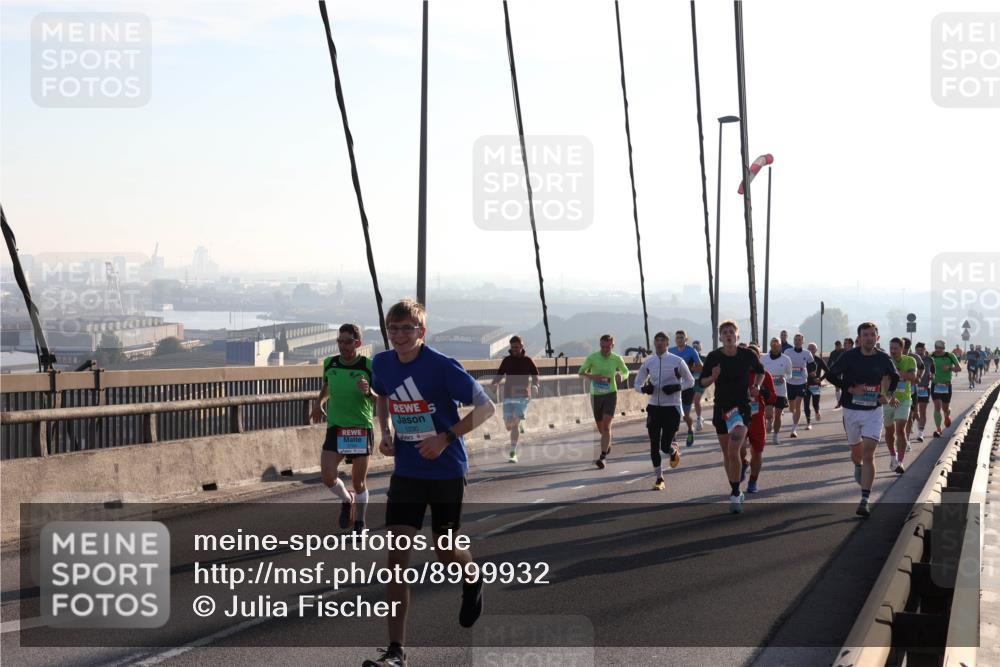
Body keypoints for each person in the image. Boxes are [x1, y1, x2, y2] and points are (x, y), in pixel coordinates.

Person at [366, 300, 496, 667]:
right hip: (407, 472)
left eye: (407, 329)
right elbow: (382, 394)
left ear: (422, 332)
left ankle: (471, 577)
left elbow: (486, 408)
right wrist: (385, 431)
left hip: (446, 471)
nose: (399, 336)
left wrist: (445, 438)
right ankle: (396, 652)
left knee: (445, 549)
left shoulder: (442, 366)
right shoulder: (382, 363)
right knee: (396, 561)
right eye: (393, 329)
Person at [826, 322, 899, 518]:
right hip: (851, 410)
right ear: (859, 338)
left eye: (872, 334)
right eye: (865, 335)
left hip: (873, 412)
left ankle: (865, 500)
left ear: (877, 337)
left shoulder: (883, 358)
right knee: (856, 453)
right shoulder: (849, 356)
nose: (869, 338)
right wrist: (850, 388)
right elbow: (830, 375)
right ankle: (857, 467)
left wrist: (888, 395)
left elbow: (895, 377)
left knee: (868, 453)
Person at [310, 323, 376, 533]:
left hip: (360, 428)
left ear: (358, 343)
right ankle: (347, 500)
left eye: (348, 342)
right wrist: (318, 404)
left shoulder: (368, 365)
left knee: (359, 483)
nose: (343, 346)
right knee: (328, 477)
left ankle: (360, 523)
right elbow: (327, 387)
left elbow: (380, 399)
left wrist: (368, 392)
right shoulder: (330, 363)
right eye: (340, 341)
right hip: (336, 427)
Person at [699, 320, 766, 514]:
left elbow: (761, 371)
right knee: (727, 455)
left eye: (731, 332)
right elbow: (702, 382)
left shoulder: (747, 354)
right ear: (720, 337)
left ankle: (735, 495)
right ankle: (735, 487)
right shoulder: (713, 357)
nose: (728, 335)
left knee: (733, 449)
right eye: (725, 332)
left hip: (741, 408)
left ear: (738, 336)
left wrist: (756, 386)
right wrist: (713, 377)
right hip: (721, 408)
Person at [635, 332, 694, 490]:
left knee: (664, 445)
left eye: (663, 340)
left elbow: (690, 381)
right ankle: (659, 478)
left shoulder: (677, 361)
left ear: (667, 343)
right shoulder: (649, 362)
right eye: (657, 340)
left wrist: (677, 387)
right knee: (654, 445)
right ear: (654, 343)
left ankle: (672, 451)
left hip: (672, 407)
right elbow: (637, 384)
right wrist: (644, 389)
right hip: (654, 407)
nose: (660, 343)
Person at [579, 335, 631, 469]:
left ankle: (602, 457)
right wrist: (592, 376)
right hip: (596, 396)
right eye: (603, 347)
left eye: (608, 347)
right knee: (601, 429)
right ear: (600, 345)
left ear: (612, 346)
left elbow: (626, 372)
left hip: (610, 394)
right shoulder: (593, 357)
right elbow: (581, 372)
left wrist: (622, 376)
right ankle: (607, 441)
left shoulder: (617, 358)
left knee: (607, 426)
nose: (605, 350)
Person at [491, 335, 539, 463]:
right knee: (508, 426)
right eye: (512, 347)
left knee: (514, 425)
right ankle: (520, 422)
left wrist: (535, 385)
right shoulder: (506, 360)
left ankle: (513, 452)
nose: (514, 349)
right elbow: (499, 374)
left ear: (522, 346)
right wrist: (495, 383)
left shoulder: (528, 360)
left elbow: (535, 375)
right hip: (508, 395)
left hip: (522, 396)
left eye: (516, 347)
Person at [739, 342, 776, 493]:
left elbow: (772, 397)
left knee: (757, 451)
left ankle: (753, 481)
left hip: (757, 417)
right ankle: (743, 463)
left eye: (755, 355)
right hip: (739, 416)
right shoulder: (738, 373)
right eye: (749, 355)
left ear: (759, 357)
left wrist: (761, 392)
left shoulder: (765, 374)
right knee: (739, 449)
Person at [884, 337, 917, 474]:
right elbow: (884, 380)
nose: (893, 351)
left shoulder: (910, 360)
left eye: (896, 348)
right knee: (889, 432)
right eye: (891, 348)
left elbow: (913, 378)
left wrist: (896, 373)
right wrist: (889, 396)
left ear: (902, 349)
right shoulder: (886, 361)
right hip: (888, 400)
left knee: (900, 430)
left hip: (904, 400)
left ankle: (900, 462)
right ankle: (893, 455)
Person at [668, 330, 703, 447]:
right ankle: (673, 438)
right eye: (677, 338)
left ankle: (690, 429)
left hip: (687, 386)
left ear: (686, 339)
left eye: (682, 337)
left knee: (685, 415)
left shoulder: (691, 351)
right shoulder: (670, 351)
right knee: (674, 414)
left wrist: (688, 368)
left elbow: (700, 367)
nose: (679, 340)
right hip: (674, 386)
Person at [760, 337, 792, 445]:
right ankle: (769, 420)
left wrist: (784, 378)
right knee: (768, 413)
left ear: (780, 346)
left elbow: (790, 374)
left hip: (781, 391)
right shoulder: (764, 359)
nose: (774, 347)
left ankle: (776, 435)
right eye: (773, 345)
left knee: (778, 414)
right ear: (770, 346)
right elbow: (759, 373)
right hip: (767, 391)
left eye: (776, 345)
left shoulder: (786, 359)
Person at [784, 333, 815, 438]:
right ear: (793, 341)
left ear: (803, 341)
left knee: (798, 404)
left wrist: (812, 372)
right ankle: (795, 416)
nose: (797, 342)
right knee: (791, 408)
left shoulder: (807, 353)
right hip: (790, 382)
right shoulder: (788, 352)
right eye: (796, 340)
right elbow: (784, 363)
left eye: (799, 340)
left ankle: (794, 429)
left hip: (802, 382)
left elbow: (812, 364)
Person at [929, 340, 961, 438]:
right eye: (936, 347)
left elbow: (959, 368)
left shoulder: (950, 356)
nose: (937, 350)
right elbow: (925, 368)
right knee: (937, 406)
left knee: (945, 408)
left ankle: (946, 415)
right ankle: (938, 429)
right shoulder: (931, 356)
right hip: (935, 385)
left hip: (946, 385)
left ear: (943, 348)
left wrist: (949, 368)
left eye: (940, 348)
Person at [912, 342, 934, 442]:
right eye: (918, 350)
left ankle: (920, 433)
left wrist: (932, 376)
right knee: (914, 412)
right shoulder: (912, 359)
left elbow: (933, 371)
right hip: (913, 388)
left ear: (925, 350)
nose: (920, 352)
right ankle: (918, 423)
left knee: (922, 411)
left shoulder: (929, 360)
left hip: (924, 388)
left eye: (921, 350)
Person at [803, 342, 828, 427]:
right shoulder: (804, 359)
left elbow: (827, 371)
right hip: (805, 384)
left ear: (816, 350)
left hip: (815, 385)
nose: (810, 350)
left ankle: (817, 411)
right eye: (809, 348)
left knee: (815, 404)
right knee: (806, 404)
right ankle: (808, 422)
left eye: (812, 348)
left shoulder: (819, 360)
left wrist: (820, 379)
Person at [691, 340, 706, 431]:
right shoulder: (689, 358)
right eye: (694, 347)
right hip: (691, 382)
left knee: (696, 400)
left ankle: (699, 419)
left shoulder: (704, 358)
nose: (695, 348)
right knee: (691, 402)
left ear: (700, 348)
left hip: (701, 382)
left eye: (697, 347)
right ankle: (698, 417)